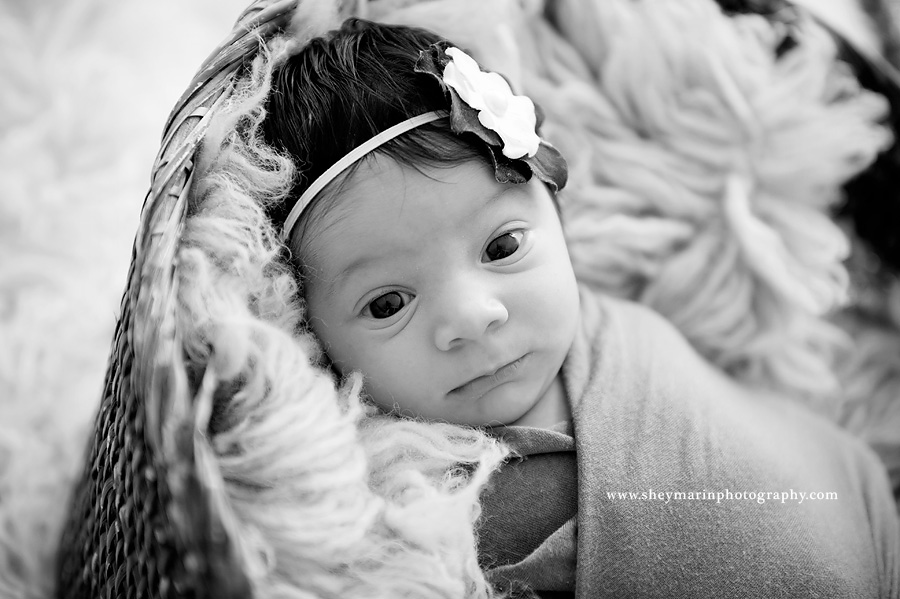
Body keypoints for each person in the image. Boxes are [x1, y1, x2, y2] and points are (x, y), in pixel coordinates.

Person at [261, 17, 900, 599]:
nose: (474, 315)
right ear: (308, 334)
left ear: (557, 218)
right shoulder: (400, 499)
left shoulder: (614, 324)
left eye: (503, 246)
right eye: (388, 303)